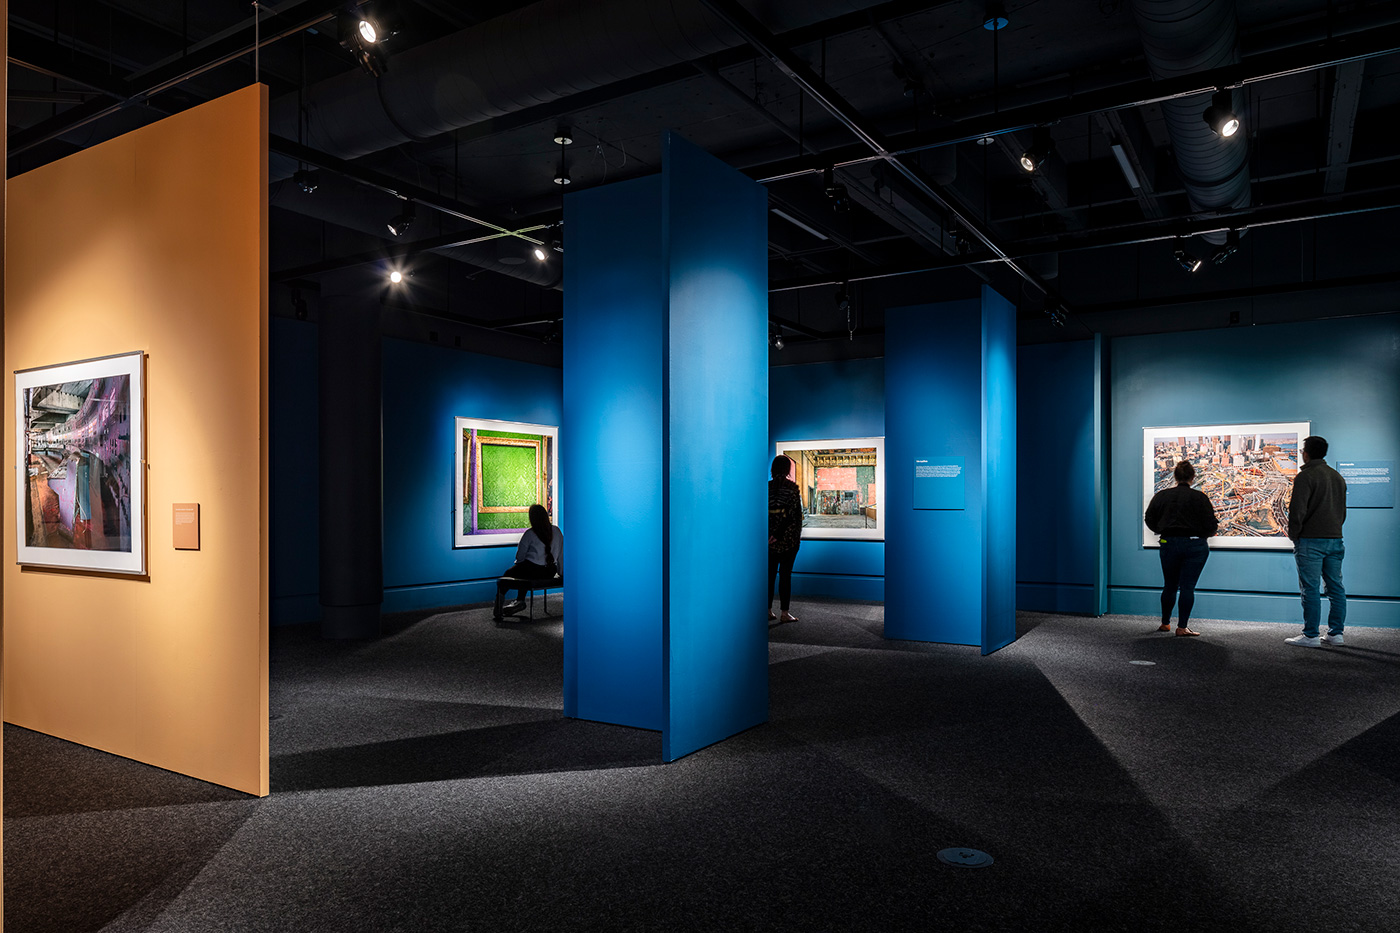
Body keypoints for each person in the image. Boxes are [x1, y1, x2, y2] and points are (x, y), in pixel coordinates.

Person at [1285, 436, 1347, 648]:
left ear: (1306, 453)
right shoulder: (1337, 477)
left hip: (1310, 541)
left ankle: (1311, 635)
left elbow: (1297, 511)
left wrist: (1294, 535)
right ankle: (1336, 634)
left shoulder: (1306, 476)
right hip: (1335, 540)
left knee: (1310, 588)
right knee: (1336, 588)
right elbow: (1342, 512)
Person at [1144, 460, 1219, 636]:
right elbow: (1211, 525)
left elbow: (1149, 519)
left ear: (1175, 476)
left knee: (1169, 585)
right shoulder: (1200, 498)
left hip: (1168, 543)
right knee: (1187, 587)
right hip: (1194, 545)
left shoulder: (1161, 496)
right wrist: (1202, 535)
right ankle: (1182, 627)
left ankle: (1165, 623)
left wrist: (1162, 531)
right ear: (1193, 478)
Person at [493, 504, 563, 621]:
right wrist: (561, 572)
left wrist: (520, 563)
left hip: (531, 569)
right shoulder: (557, 531)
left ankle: (501, 606)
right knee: (524, 573)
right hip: (550, 571)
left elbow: (520, 557)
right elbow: (561, 555)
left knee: (507, 576)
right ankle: (519, 601)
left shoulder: (530, 534)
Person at [768, 455, 802, 624]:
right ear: (788, 469)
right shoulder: (792, 488)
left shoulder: (766, 488)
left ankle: (767, 610)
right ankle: (784, 613)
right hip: (788, 541)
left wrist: (769, 536)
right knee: (785, 575)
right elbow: (794, 517)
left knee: (769, 575)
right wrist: (793, 540)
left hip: (768, 542)